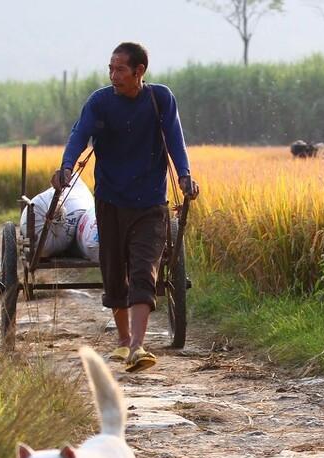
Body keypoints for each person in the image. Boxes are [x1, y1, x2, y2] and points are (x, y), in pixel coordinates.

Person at [53, 41, 200, 373]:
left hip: (150, 202)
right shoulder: (100, 102)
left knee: (144, 269)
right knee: (114, 271)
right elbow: (79, 135)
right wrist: (66, 166)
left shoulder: (160, 99)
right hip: (110, 199)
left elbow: (175, 139)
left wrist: (185, 175)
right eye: (110, 68)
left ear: (139, 72)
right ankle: (123, 342)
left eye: (120, 69)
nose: (113, 75)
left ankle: (137, 345)